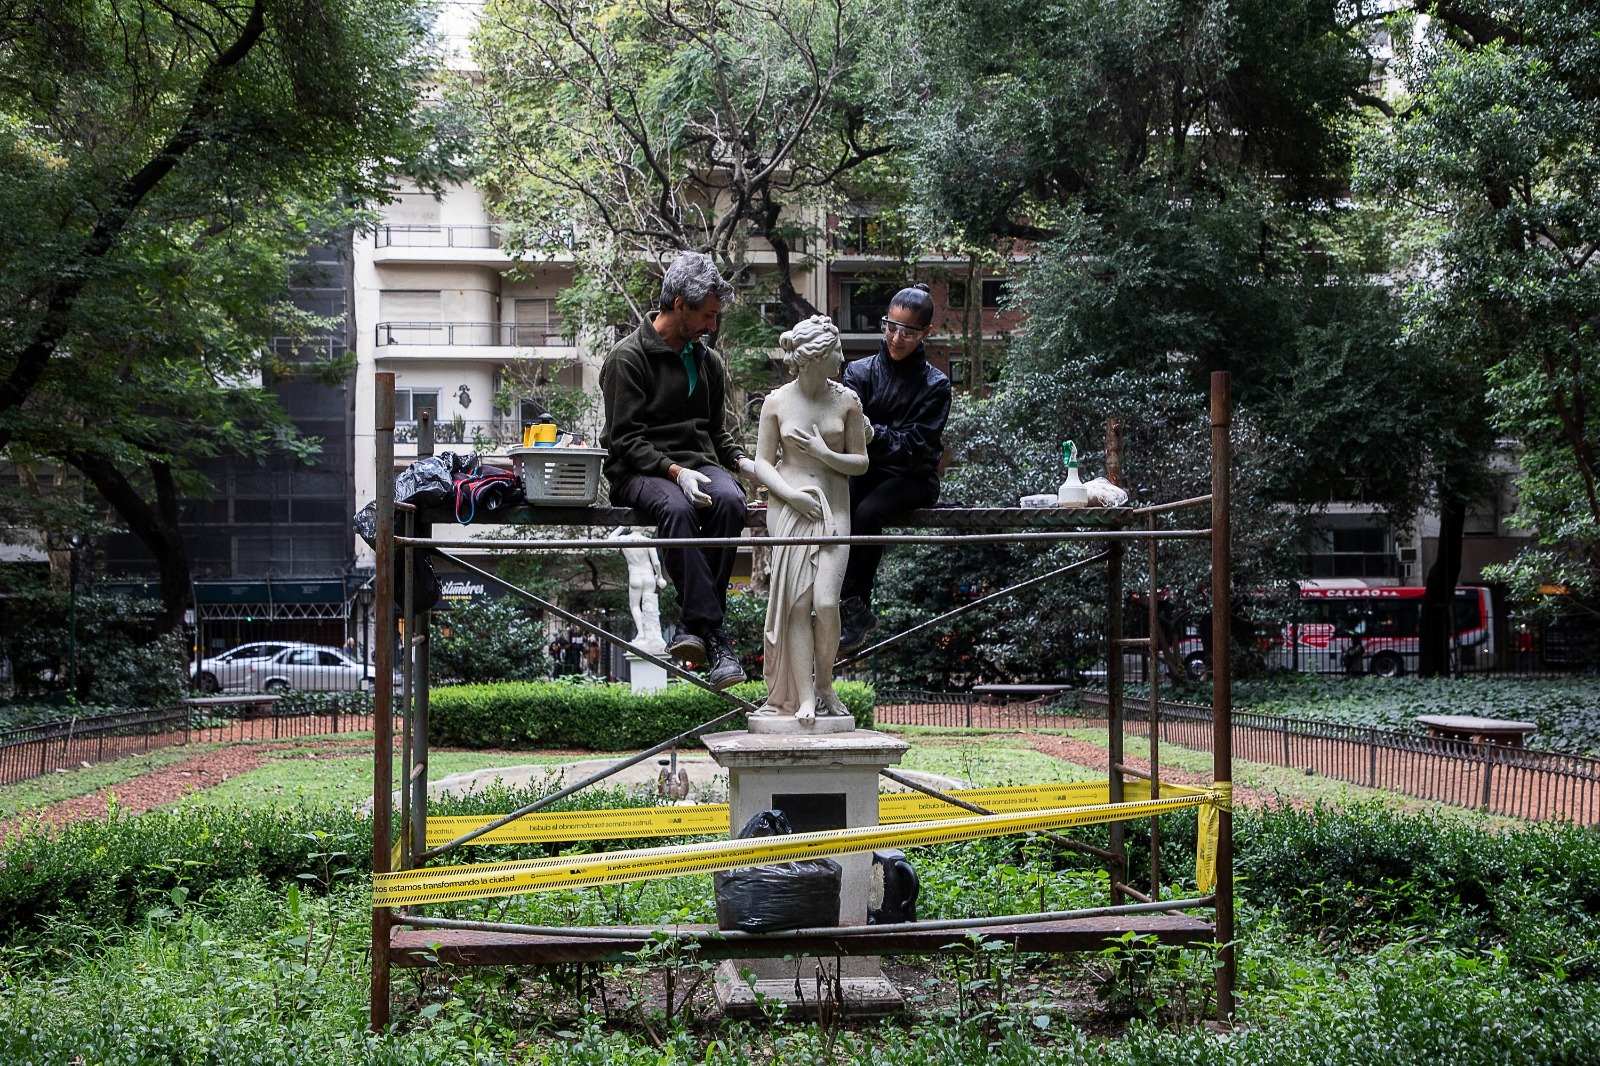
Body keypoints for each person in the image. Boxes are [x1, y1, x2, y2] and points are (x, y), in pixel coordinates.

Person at [600, 251, 755, 689]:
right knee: (679, 512)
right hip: (638, 469)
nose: (712, 325)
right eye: (706, 315)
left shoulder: (708, 362)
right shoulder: (626, 359)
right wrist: (673, 472)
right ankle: (716, 636)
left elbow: (716, 435)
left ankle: (693, 628)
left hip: (697, 461)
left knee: (730, 501)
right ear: (680, 306)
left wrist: (747, 465)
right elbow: (623, 439)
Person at [751, 315, 869, 719]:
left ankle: (824, 684)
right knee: (798, 605)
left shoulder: (847, 401)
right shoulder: (777, 402)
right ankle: (803, 697)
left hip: (834, 508)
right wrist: (789, 496)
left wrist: (824, 455)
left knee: (827, 602)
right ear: (815, 357)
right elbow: (762, 463)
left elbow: (860, 463)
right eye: (835, 350)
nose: (841, 356)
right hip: (788, 508)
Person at [838, 283, 952, 653]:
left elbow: (915, 450)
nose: (897, 337)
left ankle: (855, 608)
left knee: (867, 512)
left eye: (907, 331)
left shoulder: (936, 385)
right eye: (891, 326)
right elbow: (844, 431)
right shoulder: (857, 372)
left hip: (913, 479)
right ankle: (836, 603)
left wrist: (872, 433)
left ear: (925, 333)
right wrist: (876, 439)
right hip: (861, 471)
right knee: (836, 508)